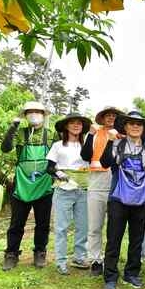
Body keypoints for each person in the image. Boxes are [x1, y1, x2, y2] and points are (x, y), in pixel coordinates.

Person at [100, 111, 145, 289]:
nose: (135, 126)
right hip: (118, 199)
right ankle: (110, 278)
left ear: (143, 128)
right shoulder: (117, 144)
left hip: (141, 200)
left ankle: (131, 273)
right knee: (114, 239)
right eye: (131, 123)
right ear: (125, 126)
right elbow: (105, 162)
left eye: (139, 124)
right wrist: (109, 141)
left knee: (137, 239)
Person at [1, 101, 54, 271]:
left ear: (43, 115)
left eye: (37, 112)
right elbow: (5, 148)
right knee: (17, 223)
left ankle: (40, 252)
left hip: (44, 185)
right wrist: (13, 126)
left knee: (43, 223)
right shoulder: (20, 133)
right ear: (25, 115)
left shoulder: (52, 134)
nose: (34, 114)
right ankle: (11, 254)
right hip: (22, 185)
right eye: (30, 112)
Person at [80, 106, 124, 276]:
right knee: (94, 225)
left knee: (114, 228)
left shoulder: (124, 136)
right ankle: (96, 260)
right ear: (103, 118)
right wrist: (90, 134)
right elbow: (85, 155)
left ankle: (111, 260)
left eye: (114, 116)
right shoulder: (96, 133)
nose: (111, 118)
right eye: (108, 115)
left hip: (116, 184)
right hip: (96, 183)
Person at [46, 113, 92, 275]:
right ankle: (60, 261)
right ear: (66, 126)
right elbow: (49, 167)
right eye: (72, 123)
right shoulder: (58, 146)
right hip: (64, 189)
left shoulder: (87, 145)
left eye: (79, 123)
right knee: (61, 226)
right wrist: (60, 175)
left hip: (84, 189)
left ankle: (80, 257)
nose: (76, 125)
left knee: (83, 225)